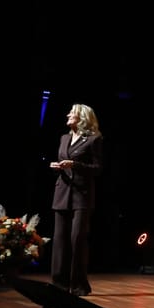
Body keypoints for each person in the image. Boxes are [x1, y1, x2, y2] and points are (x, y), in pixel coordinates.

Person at [50, 103, 102, 296]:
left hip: (82, 195)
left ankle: (79, 285)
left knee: (77, 239)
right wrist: (58, 166)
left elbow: (98, 168)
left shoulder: (94, 139)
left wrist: (75, 164)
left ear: (82, 117)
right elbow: (63, 162)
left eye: (72, 113)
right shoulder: (64, 138)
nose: (68, 115)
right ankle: (59, 284)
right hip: (62, 193)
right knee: (59, 240)